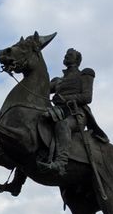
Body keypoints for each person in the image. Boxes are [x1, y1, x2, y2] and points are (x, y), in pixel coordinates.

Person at [38, 47, 108, 175]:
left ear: (77, 60)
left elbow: (87, 97)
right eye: (65, 54)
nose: (66, 56)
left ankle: (61, 162)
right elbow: (41, 89)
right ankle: (18, 180)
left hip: (76, 113)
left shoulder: (85, 74)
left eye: (69, 55)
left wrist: (65, 98)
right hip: (57, 110)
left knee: (62, 124)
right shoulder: (58, 80)